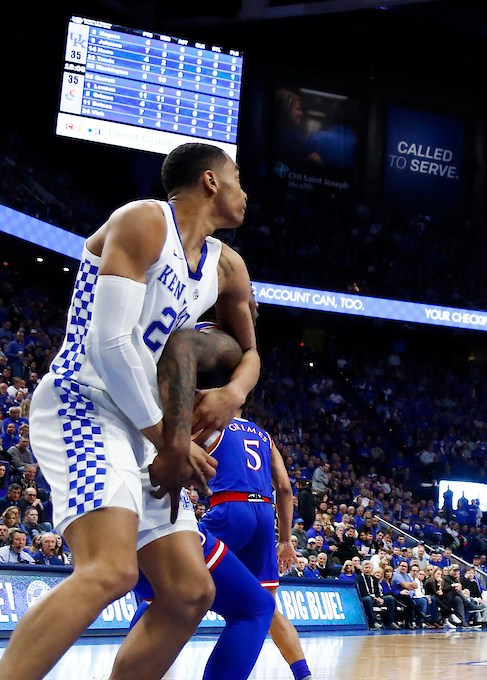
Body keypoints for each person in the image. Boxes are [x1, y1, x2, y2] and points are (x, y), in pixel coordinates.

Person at [2, 142, 258, 680]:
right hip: (84, 404)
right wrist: (170, 437)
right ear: (210, 181)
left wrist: (234, 391)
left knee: (190, 591)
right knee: (110, 570)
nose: (245, 191)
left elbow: (251, 352)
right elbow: (111, 346)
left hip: (146, 427)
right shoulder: (144, 221)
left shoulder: (227, 266)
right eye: (237, 178)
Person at [173, 325, 315, 680]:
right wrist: (285, 540)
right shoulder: (263, 435)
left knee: (178, 579)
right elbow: (284, 487)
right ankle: (304, 674)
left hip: (229, 510)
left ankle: (145, 658)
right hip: (264, 516)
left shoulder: (207, 422)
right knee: (266, 608)